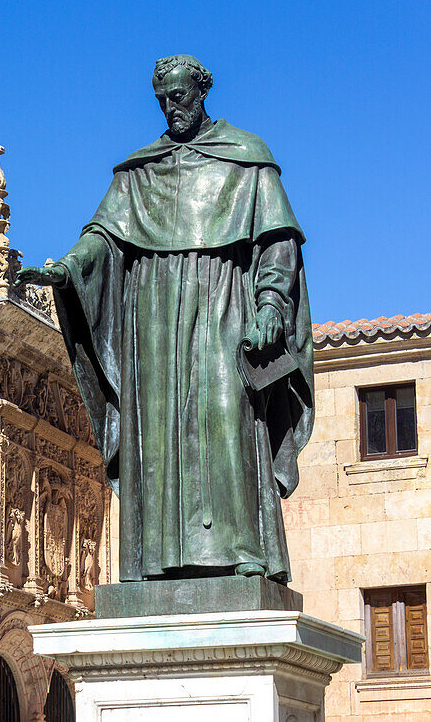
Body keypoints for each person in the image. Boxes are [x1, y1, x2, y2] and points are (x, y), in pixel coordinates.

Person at [16, 55, 313, 583]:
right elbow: (102, 238)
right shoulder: (140, 171)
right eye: (162, 101)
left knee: (227, 417)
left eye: (179, 97)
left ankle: (247, 550)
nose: (171, 109)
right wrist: (66, 270)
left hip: (224, 309)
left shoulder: (247, 159)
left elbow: (278, 243)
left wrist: (269, 305)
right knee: (158, 432)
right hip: (153, 320)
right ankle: (155, 560)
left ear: (203, 92)